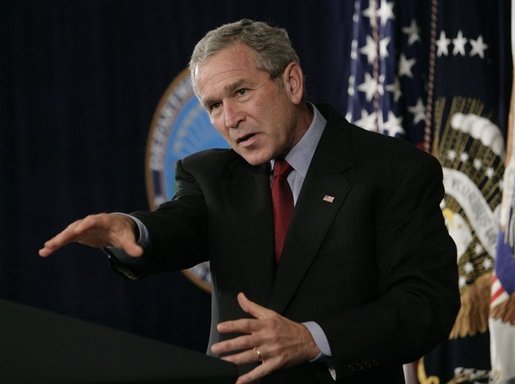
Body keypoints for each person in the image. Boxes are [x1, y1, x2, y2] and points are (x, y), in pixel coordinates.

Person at [39, 19, 460, 384]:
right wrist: (132, 231)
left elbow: (427, 305)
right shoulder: (212, 175)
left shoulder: (392, 169)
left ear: (291, 82)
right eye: (214, 106)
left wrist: (313, 339)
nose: (230, 118)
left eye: (240, 92)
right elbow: (179, 226)